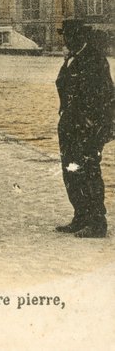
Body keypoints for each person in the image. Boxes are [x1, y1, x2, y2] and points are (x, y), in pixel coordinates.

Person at [54, 19, 115, 238]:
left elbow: (105, 95)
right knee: (71, 171)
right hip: (71, 125)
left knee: (89, 172)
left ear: (81, 36)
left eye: (71, 36)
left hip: (89, 128)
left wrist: (95, 124)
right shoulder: (73, 58)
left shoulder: (94, 59)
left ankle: (97, 222)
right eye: (66, 36)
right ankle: (80, 216)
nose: (67, 40)